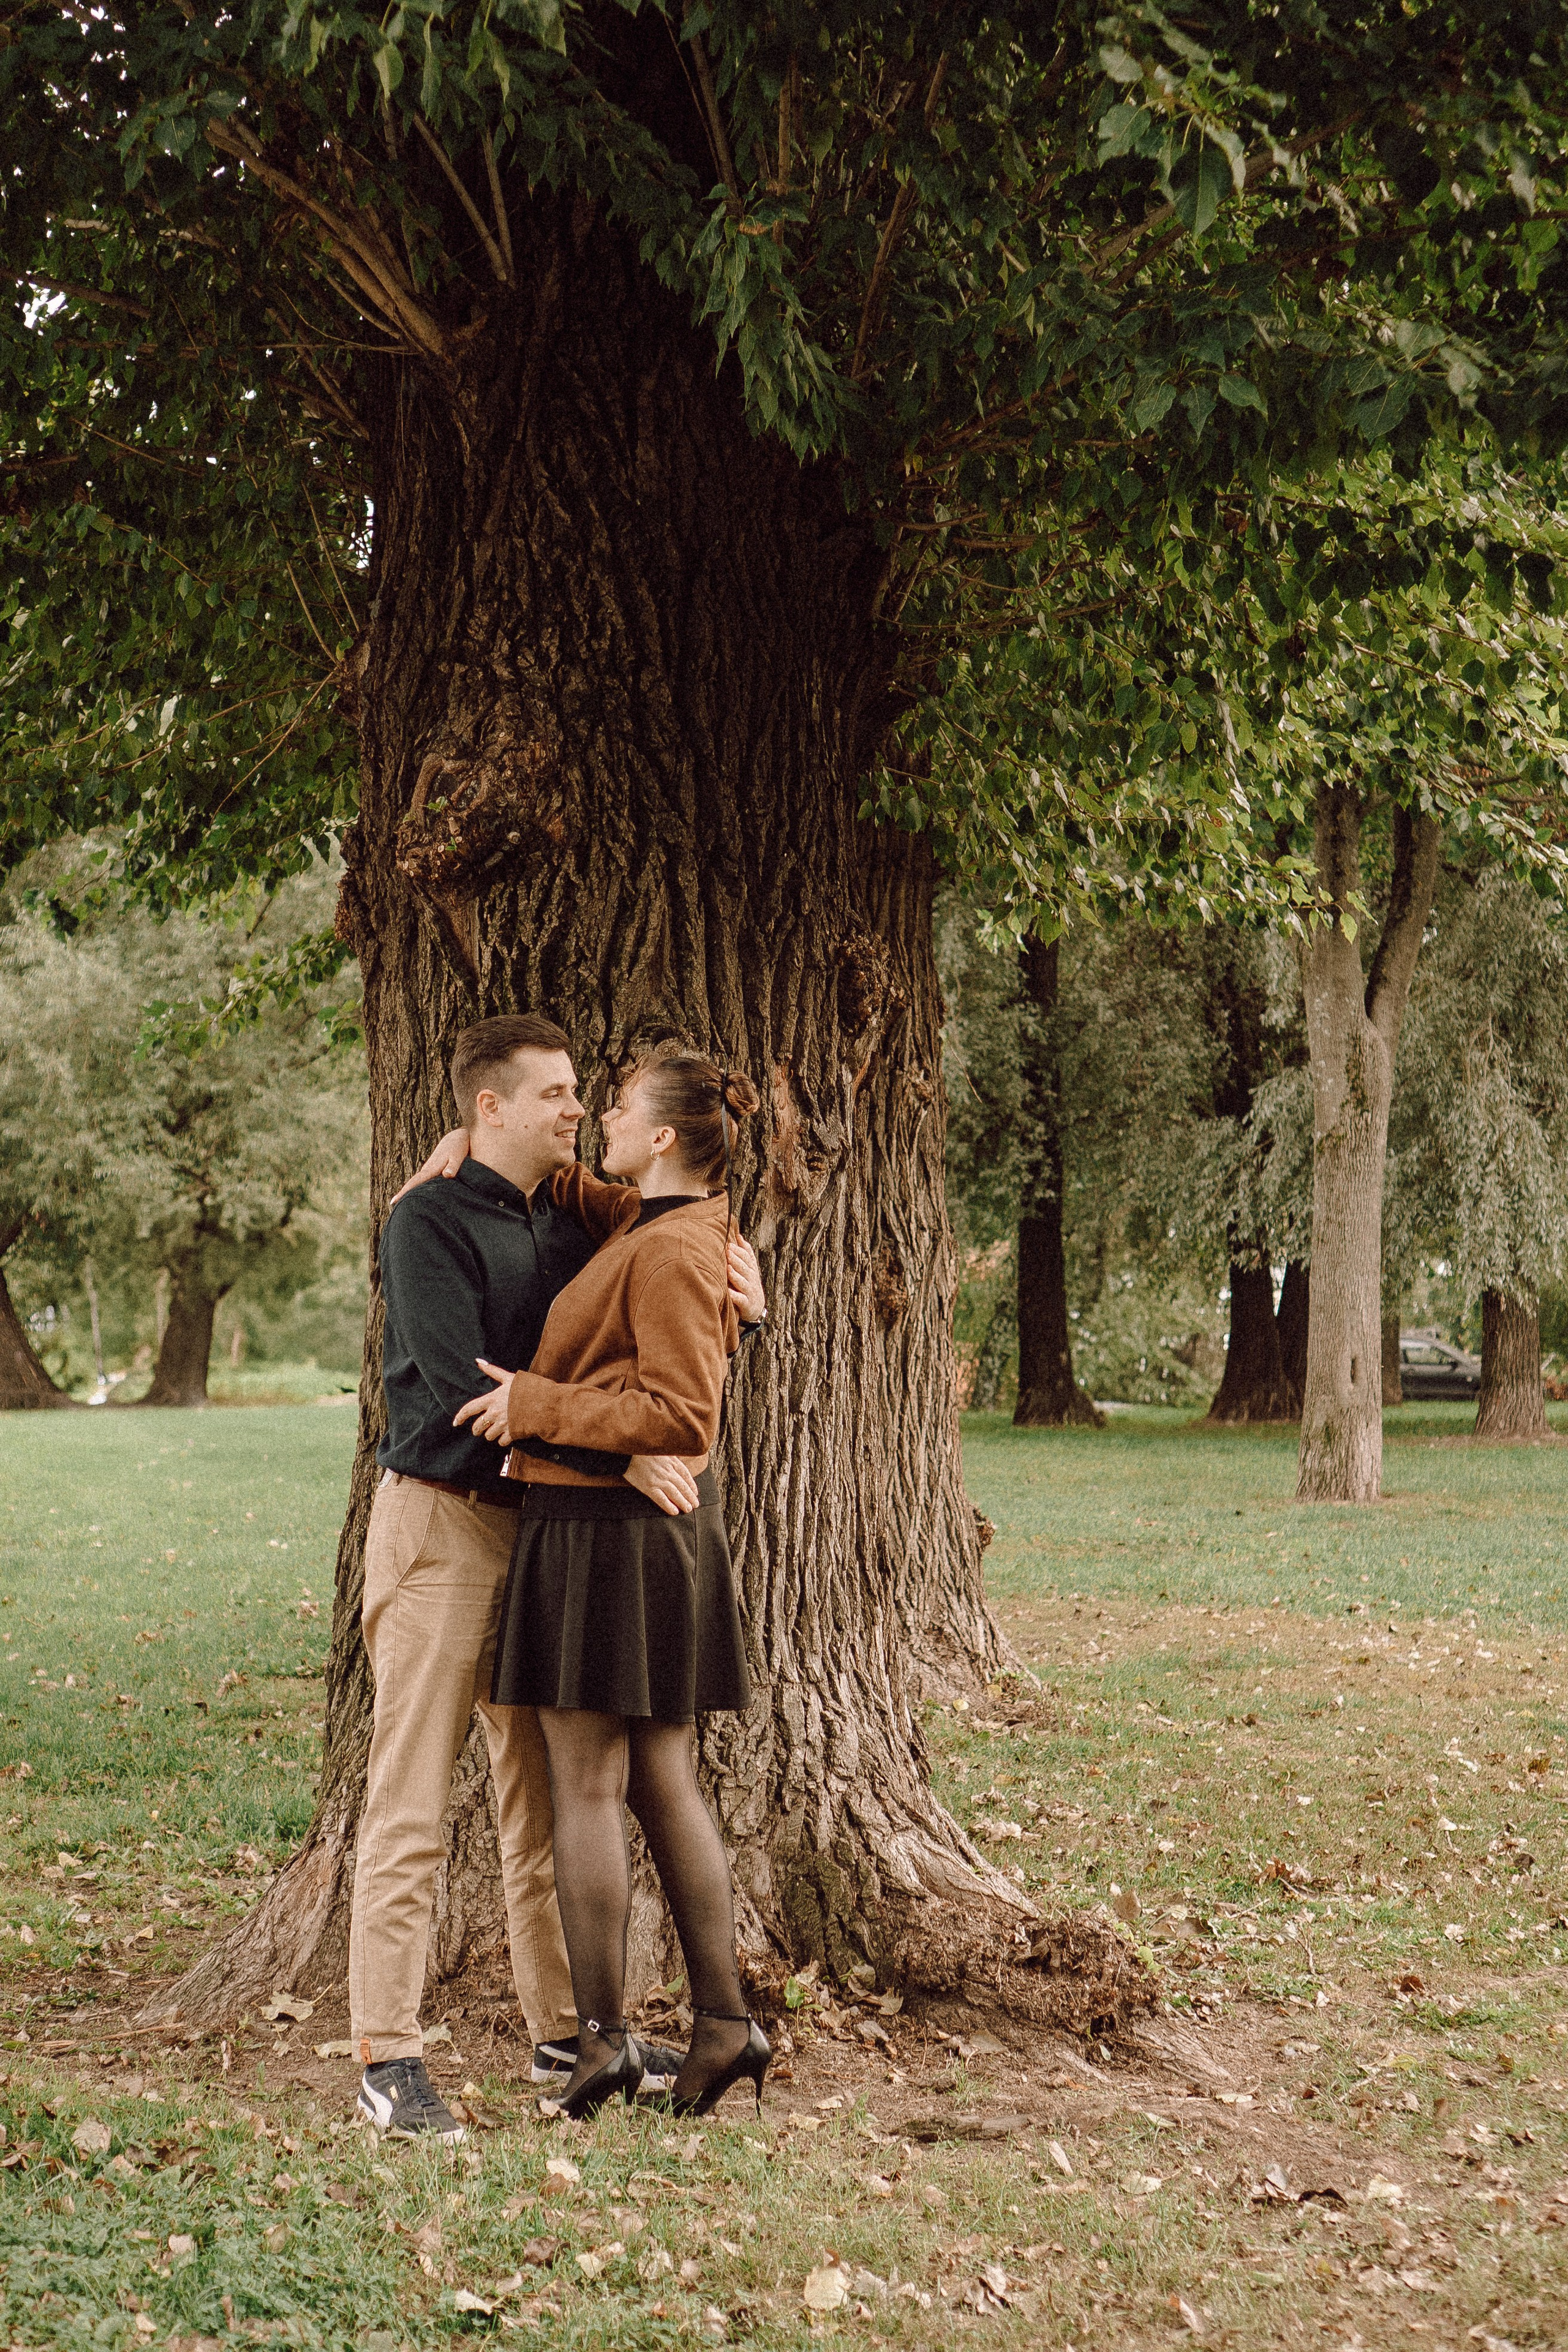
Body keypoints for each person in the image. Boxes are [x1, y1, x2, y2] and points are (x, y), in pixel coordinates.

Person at [353, 1014, 763, 2143]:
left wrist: (740, 1286)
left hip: (547, 1538)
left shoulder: (591, 1216)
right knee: (412, 1800)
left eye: (589, 1094)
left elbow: (662, 1302)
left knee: (542, 1802)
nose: (578, 1110)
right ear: (489, 1109)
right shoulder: (429, 1221)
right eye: (556, 1095)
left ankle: (568, 2031)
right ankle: (387, 2057)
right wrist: (621, 1447)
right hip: (443, 1529)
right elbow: (454, 1394)